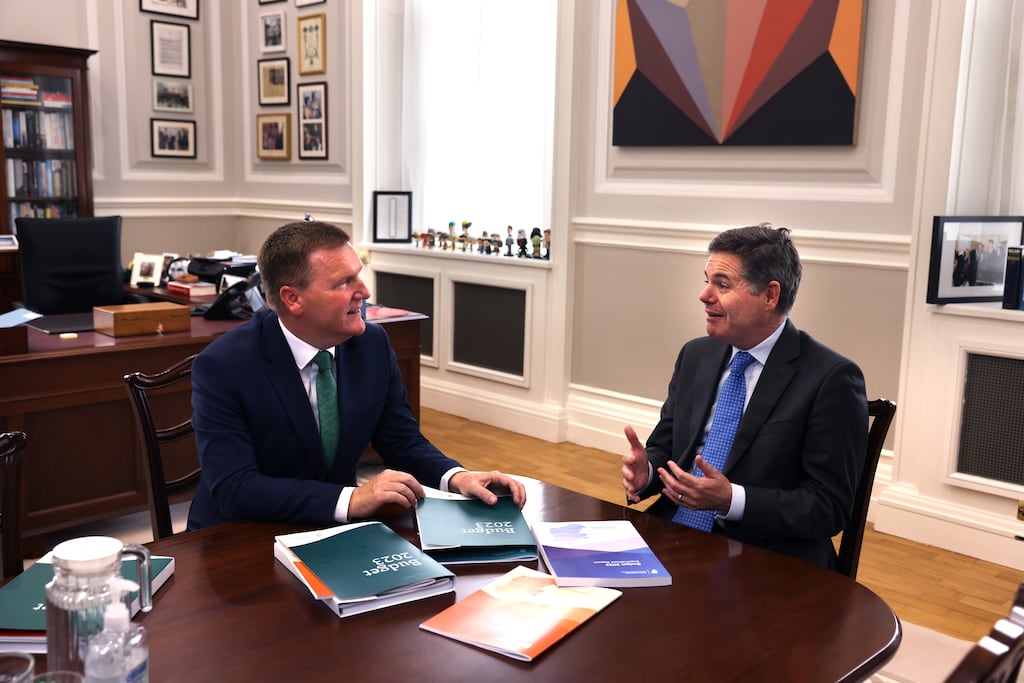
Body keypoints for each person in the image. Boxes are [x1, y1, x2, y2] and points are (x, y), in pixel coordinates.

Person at [187, 220, 526, 530]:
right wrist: (354, 498)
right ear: (293, 299)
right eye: (343, 282)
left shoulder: (372, 344)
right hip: (240, 536)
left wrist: (457, 477)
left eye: (358, 275)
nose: (363, 291)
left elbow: (401, 440)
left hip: (332, 529)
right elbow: (236, 488)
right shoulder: (224, 365)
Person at [620, 224, 867, 569]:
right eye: (706, 281)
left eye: (722, 285)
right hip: (674, 535)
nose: (704, 295)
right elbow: (669, 449)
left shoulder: (832, 379)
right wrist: (646, 471)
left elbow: (829, 507)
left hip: (765, 560)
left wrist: (730, 500)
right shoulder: (696, 355)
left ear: (770, 296)